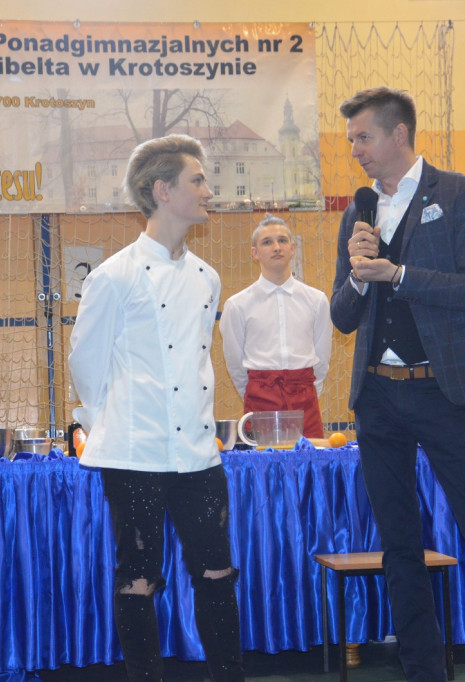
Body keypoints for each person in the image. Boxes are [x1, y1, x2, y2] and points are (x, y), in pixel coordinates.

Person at [330, 87, 465, 681]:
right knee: (399, 545)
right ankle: (422, 670)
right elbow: (342, 316)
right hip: (377, 397)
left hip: (443, 391)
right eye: (351, 139)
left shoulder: (458, 193)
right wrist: (359, 277)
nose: (355, 149)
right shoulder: (357, 212)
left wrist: (398, 274)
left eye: (363, 137)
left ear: (398, 134)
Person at [68, 134, 243, 682]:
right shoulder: (113, 276)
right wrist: (117, 424)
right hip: (134, 452)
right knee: (138, 578)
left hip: (198, 453)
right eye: (198, 180)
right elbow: (86, 366)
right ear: (163, 191)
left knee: (216, 572)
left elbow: (196, 362)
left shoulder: (208, 277)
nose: (208, 190)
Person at [219, 215, 331, 438]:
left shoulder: (317, 300)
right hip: (260, 400)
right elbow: (235, 364)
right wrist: (257, 391)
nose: (276, 247)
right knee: (263, 460)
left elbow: (322, 359)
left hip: (306, 400)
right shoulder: (237, 305)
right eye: (267, 242)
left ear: (292, 248)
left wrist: (306, 391)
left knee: (310, 459)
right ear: (254, 253)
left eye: (282, 240)